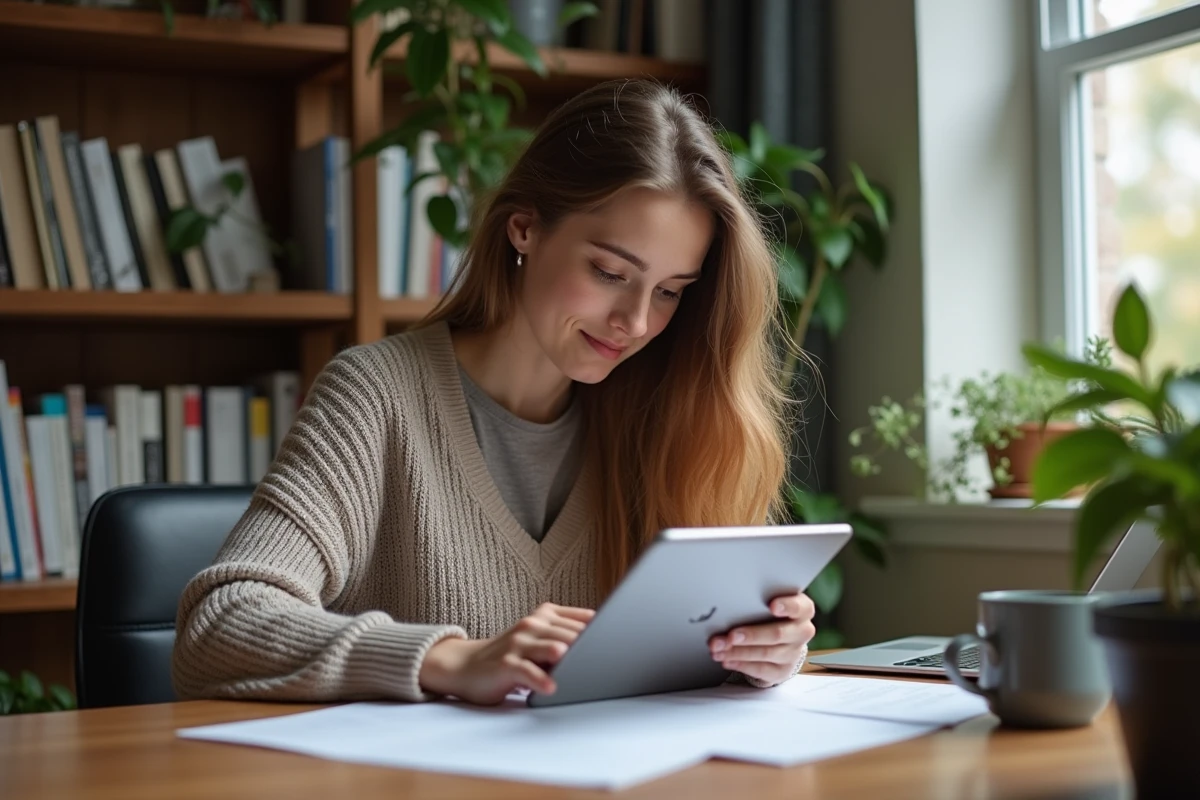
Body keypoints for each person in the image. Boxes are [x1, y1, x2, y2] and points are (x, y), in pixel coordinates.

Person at [172, 78, 816, 707]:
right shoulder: (376, 396)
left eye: (671, 290)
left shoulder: (667, 413)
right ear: (525, 229)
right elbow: (219, 624)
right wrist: (448, 658)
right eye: (610, 272)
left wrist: (759, 653)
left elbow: (679, 665)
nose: (637, 321)